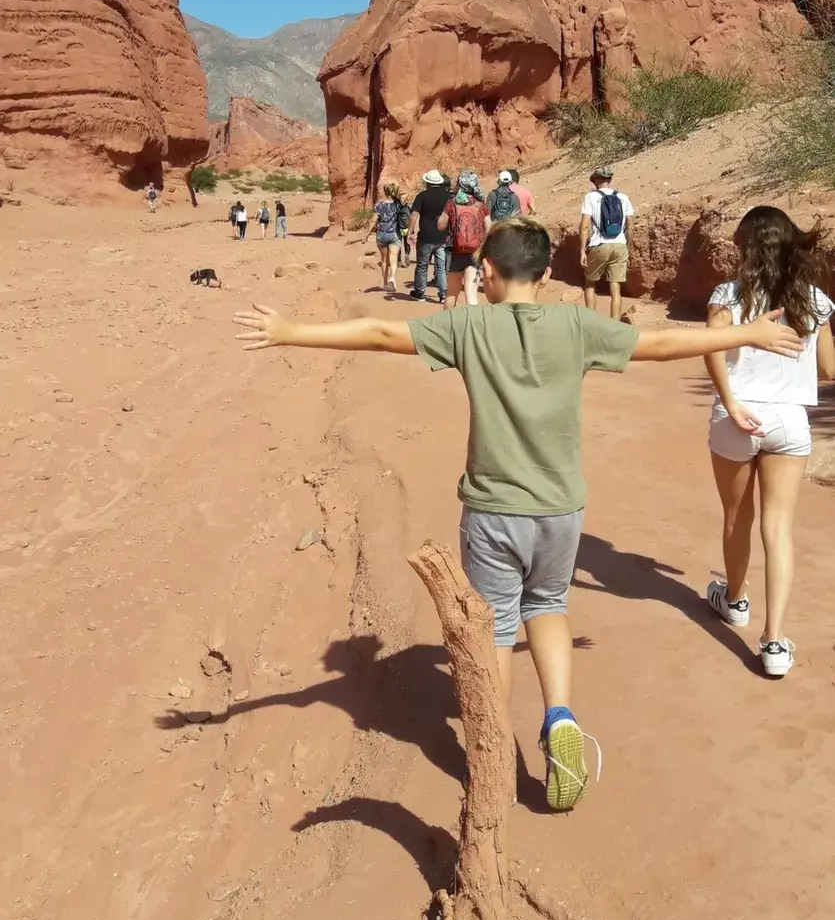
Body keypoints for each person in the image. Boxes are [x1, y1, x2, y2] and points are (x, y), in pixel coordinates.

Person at [234, 219, 803, 811]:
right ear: (548, 275)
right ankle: (559, 718)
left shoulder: (469, 325)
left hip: (493, 510)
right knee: (549, 607)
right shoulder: (576, 324)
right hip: (561, 507)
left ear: (486, 273)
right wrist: (749, 334)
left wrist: (288, 331)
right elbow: (658, 346)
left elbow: (380, 333)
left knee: (497, 629)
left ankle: (495, 756)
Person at [704, 206, 835, 677]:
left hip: (738, 414)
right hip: (790, 421)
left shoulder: (728, 295)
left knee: (737, 517)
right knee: (778, 528)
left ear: (746, 246)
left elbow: (713, 351)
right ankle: (775, 641)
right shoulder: (816, 301)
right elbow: (828, 369)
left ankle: (735, 601)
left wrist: (733, 404)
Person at [579, 166, 635, 322]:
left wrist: (582, 250)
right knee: (615, 286)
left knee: (590, 283)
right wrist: (627, 247)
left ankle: (591, 321)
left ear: (596, 180)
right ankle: (615, 324)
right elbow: (631, 226)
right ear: (610, 180)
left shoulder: (590, 197)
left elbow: (584, 226)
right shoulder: (623, 197)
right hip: (620, 245)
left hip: (599, 244)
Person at [437, 172, 490, 310]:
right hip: (475, 252)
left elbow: (440, 225)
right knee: (471, 294)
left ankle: (448, 324)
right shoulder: (481, 205)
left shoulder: (451, 203)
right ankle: (472, 327)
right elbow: (489, 228)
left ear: (460, 184)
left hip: (455, 251)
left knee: (451, 294)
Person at [408, 169, 449, 303]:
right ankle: (443, 293)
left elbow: (414, 214)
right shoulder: (447, 196)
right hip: (442, 237)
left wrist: (410, 231)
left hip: (425, 236)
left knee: (422, 265)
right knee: (441, 266)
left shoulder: (422, 196)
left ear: (427, 182)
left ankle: (420, 293)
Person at [366, 181, 402, 293]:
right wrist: (396, 190)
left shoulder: (379, 205)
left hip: (382, 234)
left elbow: (373, 220)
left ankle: (386, 283)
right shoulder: (398, 204)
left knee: (384, 260)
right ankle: (392, 277)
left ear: (385, 192)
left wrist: (366, 234)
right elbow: (406, 194)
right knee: (394, 258)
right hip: (395, 234)